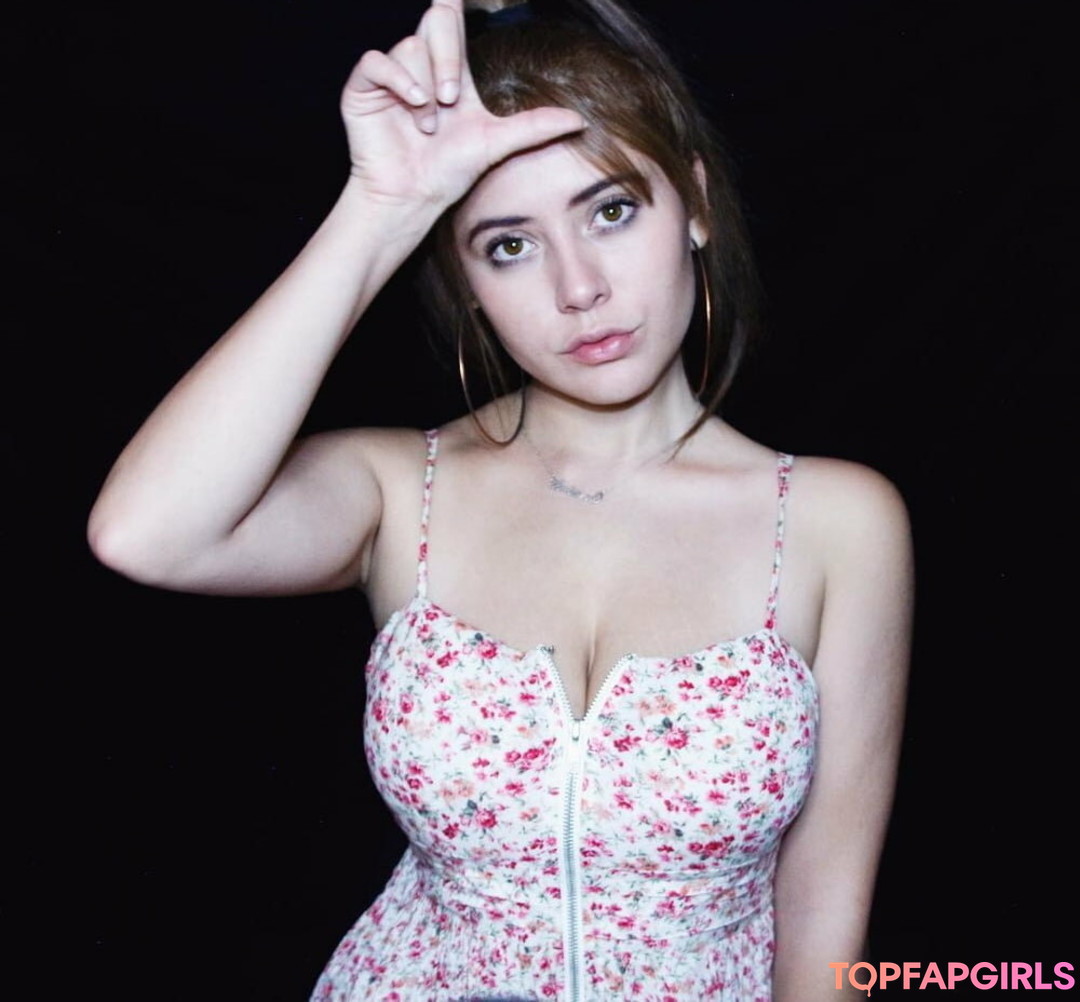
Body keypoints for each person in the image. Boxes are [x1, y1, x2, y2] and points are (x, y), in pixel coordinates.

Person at [87, 0, 913, 998]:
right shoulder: (404, 491)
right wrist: (381, 206)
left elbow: (826, 920)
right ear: (466, 278)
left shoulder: (833, 523)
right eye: (509, 245)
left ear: (694, 203)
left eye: (611, 211)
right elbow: (146, 534)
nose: (579, 288)